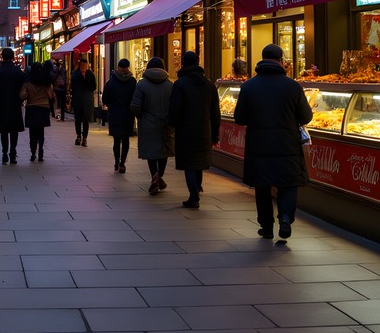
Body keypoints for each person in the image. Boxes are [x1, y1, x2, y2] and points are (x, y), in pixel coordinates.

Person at [233, 44, 312, 239]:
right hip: (287, 144)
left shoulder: (249, 86)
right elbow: (306, 116)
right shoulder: (292, 86)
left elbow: (240, 118)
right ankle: (285, 217)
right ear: (280, 60)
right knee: (288, 183)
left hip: (258, 145)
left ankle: (266, 226)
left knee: (262, 185)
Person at [168, 50, 221, 208]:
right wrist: (215, 133)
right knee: (199, 163)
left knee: (189, 164)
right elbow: (215, 112)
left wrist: (172, 125)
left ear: (183, 64)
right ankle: (197, 189)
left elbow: (175, 108)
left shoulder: (180, 84)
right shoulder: (209, 85)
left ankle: (193, 195)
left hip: (185, 129)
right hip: (204, 128)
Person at [130, 56, 175, 196]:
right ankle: (159, 176)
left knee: (151, 152)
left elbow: (135, 107)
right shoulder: (170, 85)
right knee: (163, 151)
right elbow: (175, 106)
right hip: (166, 124)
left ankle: (154, 176)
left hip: (148, 124)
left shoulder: (141, 84)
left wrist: (141, 116)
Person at [102, 58, 137, 173]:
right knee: (126, 140)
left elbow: (105, 98)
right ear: (128, 67)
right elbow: (136, 98)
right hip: (128, 115)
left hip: (115, 115)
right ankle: (122, 163)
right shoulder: (132, 81)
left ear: (118, 67)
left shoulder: (111, 81)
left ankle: (116, 161)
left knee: (116, 140)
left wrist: (111, 105)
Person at [0, 48, 25, 164]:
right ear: (12, 57)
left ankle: (4, 153)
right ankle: (13, 152)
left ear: (2, 57)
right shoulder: (19, 72)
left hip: (1, 104)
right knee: (14, 130)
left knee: (3, 130)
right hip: (15, 103)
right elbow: (24, 87)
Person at [19, 61, 54, 162]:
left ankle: (33, 153)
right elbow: (51, 95)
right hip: (43, 107)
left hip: (31, 108)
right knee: (41, 132)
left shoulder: (28, 82)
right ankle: (41, 152)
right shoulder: (46, 82)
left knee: (32, 133)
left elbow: (22, 95)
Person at [70, 56, 97, 146]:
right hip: (78, 100)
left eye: (85, 65)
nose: (84, 67)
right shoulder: (75, 74)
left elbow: (94, 86)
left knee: (86, 120)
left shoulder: (90, 74)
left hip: (87, 100)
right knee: (78, 119)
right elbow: (72, 87)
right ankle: (78, 136)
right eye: (82, 65)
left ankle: (84, 138)